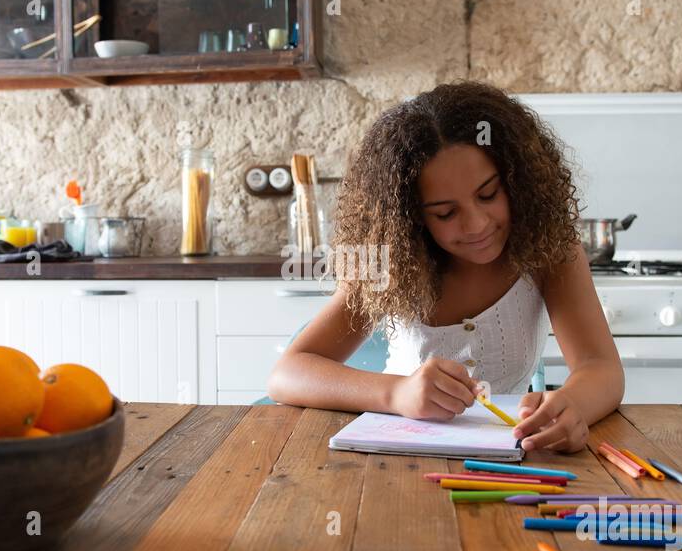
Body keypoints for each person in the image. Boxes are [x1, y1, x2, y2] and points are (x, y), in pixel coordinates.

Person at [267, 81, 624, 453]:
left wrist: (573, 406)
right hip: (394, 454)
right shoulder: (385, 257)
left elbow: (601, 367)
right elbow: (287, 374)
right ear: (411, 219)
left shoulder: (550, 249)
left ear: (519, 182)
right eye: (445, 213)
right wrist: (396, 393)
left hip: (507, 455)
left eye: (488, 195)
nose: (476, 225)